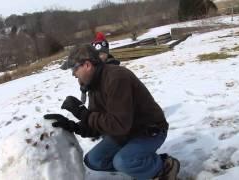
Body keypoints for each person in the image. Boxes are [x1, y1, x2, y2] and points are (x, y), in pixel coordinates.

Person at [44, 44, 180, 180]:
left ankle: (163, 166)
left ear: (87, 65)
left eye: (74, 69)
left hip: (148, 131)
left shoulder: (117, 78)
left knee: (122, 162)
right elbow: (99, 123)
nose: (73, 74)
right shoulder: (93, 86)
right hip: (126, 133)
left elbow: (119, 124)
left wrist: (83, 113)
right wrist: (73, 126)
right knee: (94, 160)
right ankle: (140, 165)